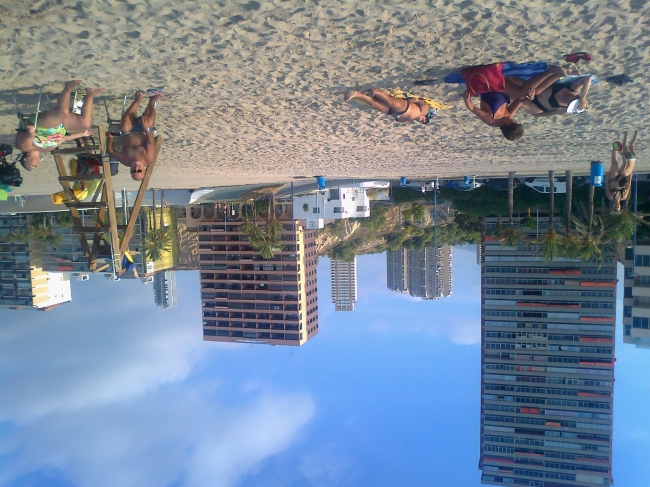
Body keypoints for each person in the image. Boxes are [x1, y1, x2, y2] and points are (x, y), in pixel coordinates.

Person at [15, 80, 105, 171]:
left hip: (42, 126)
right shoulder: (47, 150)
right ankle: (90, 95)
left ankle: (68, 88)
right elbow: (63, 139)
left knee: (62, 113)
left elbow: (27, 138)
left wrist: (31, 132)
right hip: (61, 127)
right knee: (86, 124)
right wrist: (82, 134)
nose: (37, 164)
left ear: (25, 159)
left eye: (33, 165)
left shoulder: (25, 147)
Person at [462, 65, 566, 141]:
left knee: (522, 93)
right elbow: (520, 101)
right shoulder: (509, 116)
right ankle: (555, 75)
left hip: (490, 85)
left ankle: (551, 71)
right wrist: (530, 97)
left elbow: (473, 109)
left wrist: (467, 99)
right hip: (501, 87)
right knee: (534, 92)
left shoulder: (491, 119)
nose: (513, 119)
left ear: (508, 125)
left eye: (513, 122)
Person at [106, 91, 162, 181]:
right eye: (139, 171)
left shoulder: (125, 161)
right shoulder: (148, 158)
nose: (136, 168)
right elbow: (150, 142)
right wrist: (147, 129)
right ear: (143, 169)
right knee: (149, 122)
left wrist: (110, 139)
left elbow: (111, 151)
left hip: (128, 131)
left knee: (124, 127)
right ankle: (152, 101)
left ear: (130, 171)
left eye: (134, 171)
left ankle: (137, 100)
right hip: (143, 131)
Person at [514, 75, 592, 117]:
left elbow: (549, 113)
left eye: (569, 105)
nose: (568, 102)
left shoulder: (564, 110)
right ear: (577, 96)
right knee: (519, 83)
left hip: (537, 106)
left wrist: (536, 114)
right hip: (536, 90)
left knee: (515, 99)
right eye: (571, 101)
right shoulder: (573, 88)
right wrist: (583, 97)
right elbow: (588, 78)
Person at [344, 89, 435, 124]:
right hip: (405, 107)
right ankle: (376, 91)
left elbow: (398, 119)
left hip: (391, 112)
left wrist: (402, 120)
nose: (423, 120)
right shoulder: (424, 111)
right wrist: (417, 100)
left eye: (424, 122)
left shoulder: (409, 120)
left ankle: (356, 94)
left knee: (374, 104)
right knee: (390, 101)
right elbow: (423, 103)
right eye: (425, 119)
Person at [606, 131, 638, 211]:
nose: (617, 205)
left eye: (615, 207)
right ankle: (619, 145)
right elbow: (628, 187)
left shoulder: (610, 196)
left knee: (614, 162)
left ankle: (615, 147)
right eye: (618, 207)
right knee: (621, 162)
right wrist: (630, 178)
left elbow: (607, 186)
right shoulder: (624, 197)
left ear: (613, 206)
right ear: (620, 206)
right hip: (622, 177)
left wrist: (607, 177)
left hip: (613, 179)